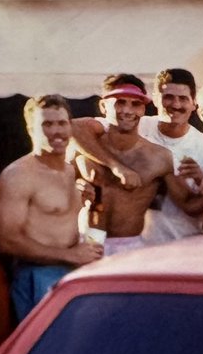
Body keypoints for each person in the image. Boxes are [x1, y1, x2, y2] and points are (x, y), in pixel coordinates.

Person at [0, 95, 102, 322]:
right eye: (47, 124)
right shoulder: (18, 174)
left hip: (72, 273)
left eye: (62, 123)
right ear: (30, 128)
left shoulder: (70, 170)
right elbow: (7, 240)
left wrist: (84, 201)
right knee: (46, 353)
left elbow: (56, 219)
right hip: (37, 276)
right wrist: (69, 255)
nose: (56, 131)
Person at [69, 74, 182, 254]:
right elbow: (58, 188)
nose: (128, 111)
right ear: (103, 106)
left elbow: (188, 204)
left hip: (129, 247)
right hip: (84, 241)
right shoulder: (84, 148)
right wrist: (76, 189)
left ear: (144, 109)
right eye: (120, 102)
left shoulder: (160, 157)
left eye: (135, 104)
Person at [138, 68, 203, 244]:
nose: (176, 105)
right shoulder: (137, 128)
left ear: (194, 103)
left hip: (185, 247)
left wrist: (202, 181)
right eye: (168, 97)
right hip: (138, 248)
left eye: (183, 99)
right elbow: (81, 130)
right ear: (155, 99)